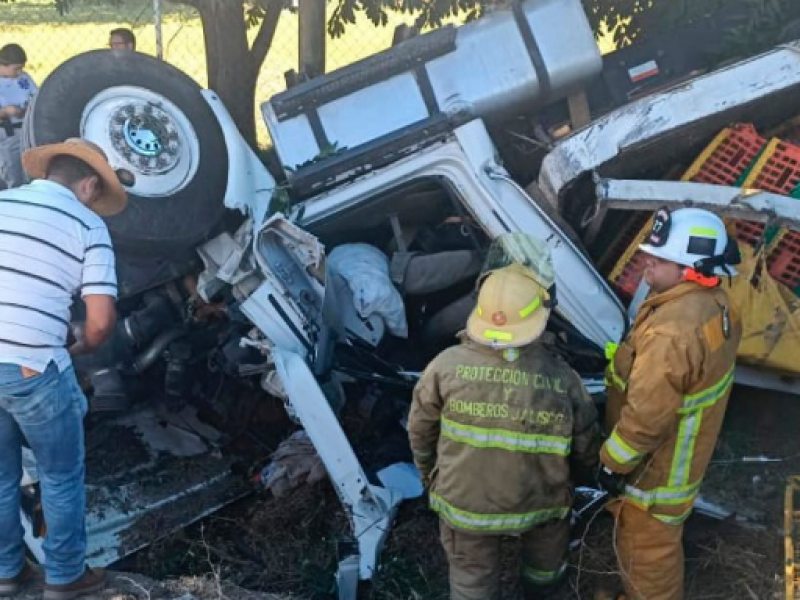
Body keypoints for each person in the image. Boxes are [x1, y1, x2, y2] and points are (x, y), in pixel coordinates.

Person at [408, 235, 600, 600]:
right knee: (545, 575)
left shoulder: (444, 367)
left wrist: (430, 477)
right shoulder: (562, 378)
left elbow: (420, 432)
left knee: (471, 583)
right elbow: (586, 442)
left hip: (465, 505)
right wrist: (586, 479)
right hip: (542, 504)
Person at [0, 138, 127, 599]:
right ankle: (66, 577)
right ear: (89, 184)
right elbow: (99, 322)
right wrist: (74, 348)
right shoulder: (87, 225)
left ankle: (8, 574)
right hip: (32, 367)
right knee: (59, 473)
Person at [597, 208, 743, 600]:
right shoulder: (715, 303)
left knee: (648, 553)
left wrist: (612, 463)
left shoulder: (671, 333)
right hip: (684, 456)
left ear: (690, 270)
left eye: (659, 260)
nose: (647, 263)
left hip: (657, 475)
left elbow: (646, 418)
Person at [0, 44, 37, 190]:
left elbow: (35, 95)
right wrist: (5, 111)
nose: (20, 72)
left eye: (21, 68)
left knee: (30, 172)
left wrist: (29, 107)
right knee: (12, 173)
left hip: (26, 129)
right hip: (7, 133)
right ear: (3, 64)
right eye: (16, 68)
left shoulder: (24, 78)